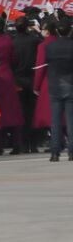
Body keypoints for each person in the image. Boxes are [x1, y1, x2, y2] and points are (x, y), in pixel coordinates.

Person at [0, 16, 24, 154]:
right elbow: (14, 58)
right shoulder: (8, 40)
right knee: (12, 111)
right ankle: (17, 144)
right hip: (7, 76)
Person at [43, 18, 73, 162]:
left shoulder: (50, 47)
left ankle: (55, 152)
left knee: (55, 120)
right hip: (70, 83)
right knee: (70, 120)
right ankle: (72, 151)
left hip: (54, 84)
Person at [12, 16, 42, 152]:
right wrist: (38, 31)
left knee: (21, 113)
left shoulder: (12, 41)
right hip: (32, 78)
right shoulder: (34, 40)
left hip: (18, 79)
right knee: (32, 112)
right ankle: (34, 143)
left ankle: (22, 143)